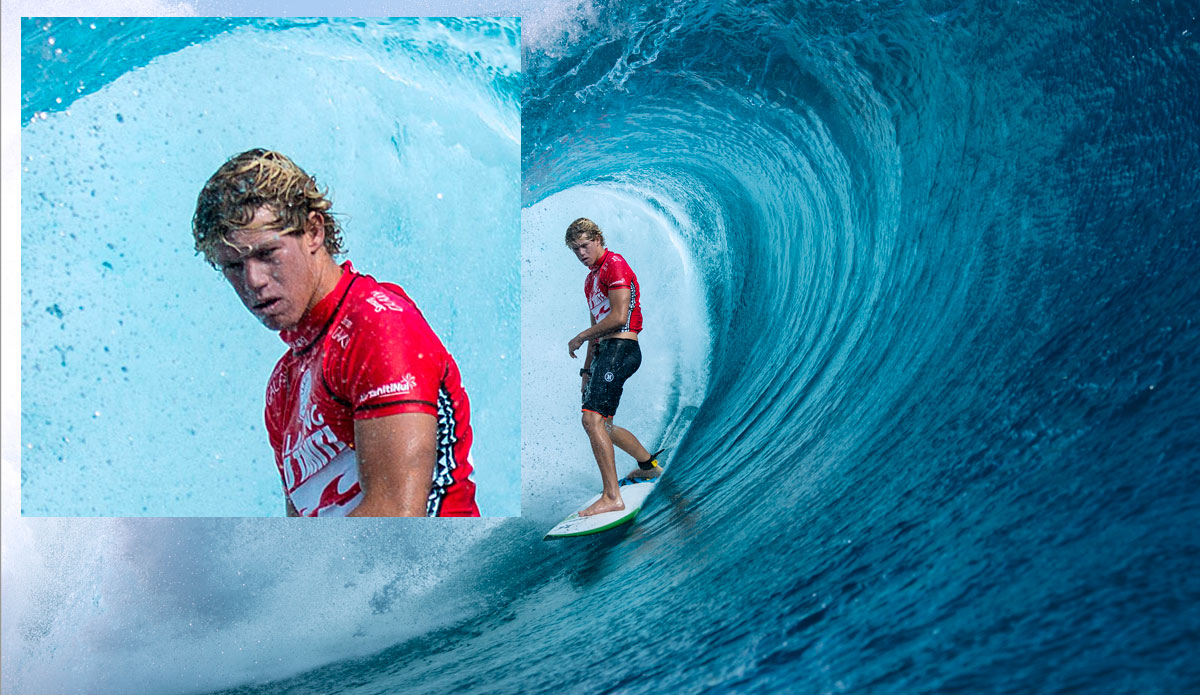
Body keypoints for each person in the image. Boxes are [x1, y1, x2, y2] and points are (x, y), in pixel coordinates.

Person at [192, 149, 478, 517]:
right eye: (232, 265)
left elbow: (396, 516)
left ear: (313, 231)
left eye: (267, 253)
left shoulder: (377, 326)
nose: (253, 281)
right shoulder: (282, 386)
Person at [565, 218, 664, 517]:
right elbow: (598, 327)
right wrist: (586, 372)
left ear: (598, 239)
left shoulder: (614, 264)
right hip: (605, 352)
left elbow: (620, 316)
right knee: (603, 425)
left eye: (584, 245)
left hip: (622, 348)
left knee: (590, 421)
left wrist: (580, 336)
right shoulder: (590, 280)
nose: (581, 253)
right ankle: (648, 467)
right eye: (575, 249)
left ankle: (612, 497)